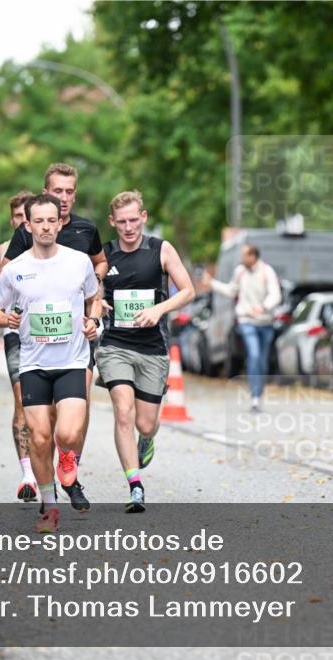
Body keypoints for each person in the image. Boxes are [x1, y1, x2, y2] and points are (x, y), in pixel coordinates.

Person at [0, 166, 108, 508]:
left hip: (73, 350)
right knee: (39, 433)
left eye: (70, 193)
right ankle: (47, 500)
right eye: (58, 192)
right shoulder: (20, 256)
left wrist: (93, 315)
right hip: (33, 355)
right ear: (30, 222)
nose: (63, 201)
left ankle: (71, 465)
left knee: (69, 426)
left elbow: (97, 281)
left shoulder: (82, 247)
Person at [97, 190, 194, 513]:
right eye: (121, 222)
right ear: (112, 222)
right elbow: (89, 293)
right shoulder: (104, 255)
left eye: (133, 220)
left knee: (146, 423)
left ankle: (147, 440)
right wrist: (97, 302)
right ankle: (134, 484)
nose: (128, 227)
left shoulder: (161, 249)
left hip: (153, 346)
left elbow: (189, 290)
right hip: (115, 345)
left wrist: (159, 309)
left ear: (144, 217)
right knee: (122, 410)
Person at [0, 191, 37, 501]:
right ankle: (27, 473)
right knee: (21, 402)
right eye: (16, 217)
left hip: (48, 335)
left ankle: (47, 466)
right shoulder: (1, 251)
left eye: (25, 217)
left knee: (48, 411)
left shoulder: (47, 244)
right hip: (15, 334)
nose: (20, 222)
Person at [202, 244, 281, 411]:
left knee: (262, 360)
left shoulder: (267, 272)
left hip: (265, 322)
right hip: (246, 320)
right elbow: (231, 291)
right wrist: (212, 283)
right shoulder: (240, 271)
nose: (241, 259)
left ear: (253, 256)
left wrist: (264, 307)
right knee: (254, 354)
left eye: (244, 256)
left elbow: (276, 294)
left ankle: (259, 391)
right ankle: (255, 396)